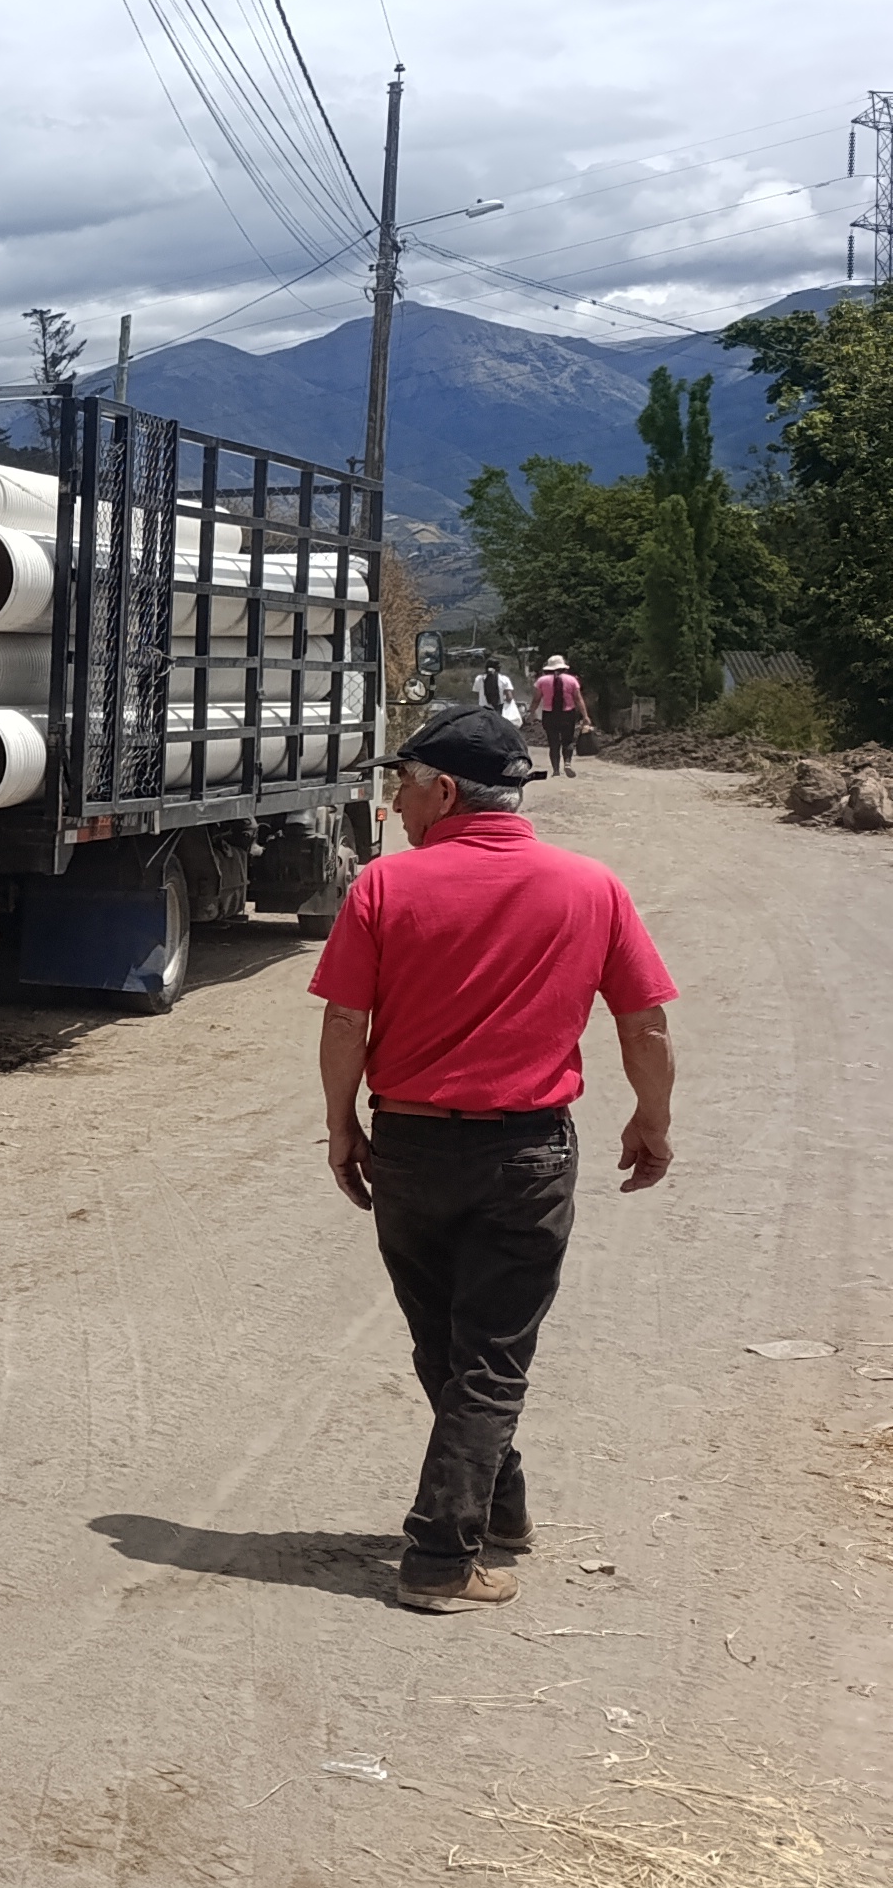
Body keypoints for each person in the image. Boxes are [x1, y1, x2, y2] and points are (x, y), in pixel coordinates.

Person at [312, 704, 675, 1613]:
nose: (397, 804)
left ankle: (480, 1520)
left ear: (444, 790)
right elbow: (645, 1023)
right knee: (487, 1357)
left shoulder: (384, 888)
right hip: (526, 1154)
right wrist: (652, 1118)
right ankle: (445, 1555)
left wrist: (341, 1124)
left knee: (449, 1348)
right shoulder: (590, 886)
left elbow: (346, 1020)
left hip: (411, 1147)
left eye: (403, 787)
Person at [534, 653, 588, 774]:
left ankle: (556, 770)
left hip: (549, 714)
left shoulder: (542, 681)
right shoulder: (572, 680)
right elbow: (578, 699)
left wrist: (531, 713)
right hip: (567, 714)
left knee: (553, 742)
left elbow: (536, 699)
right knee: (567, 741)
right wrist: (585, 716)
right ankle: (567, 763)